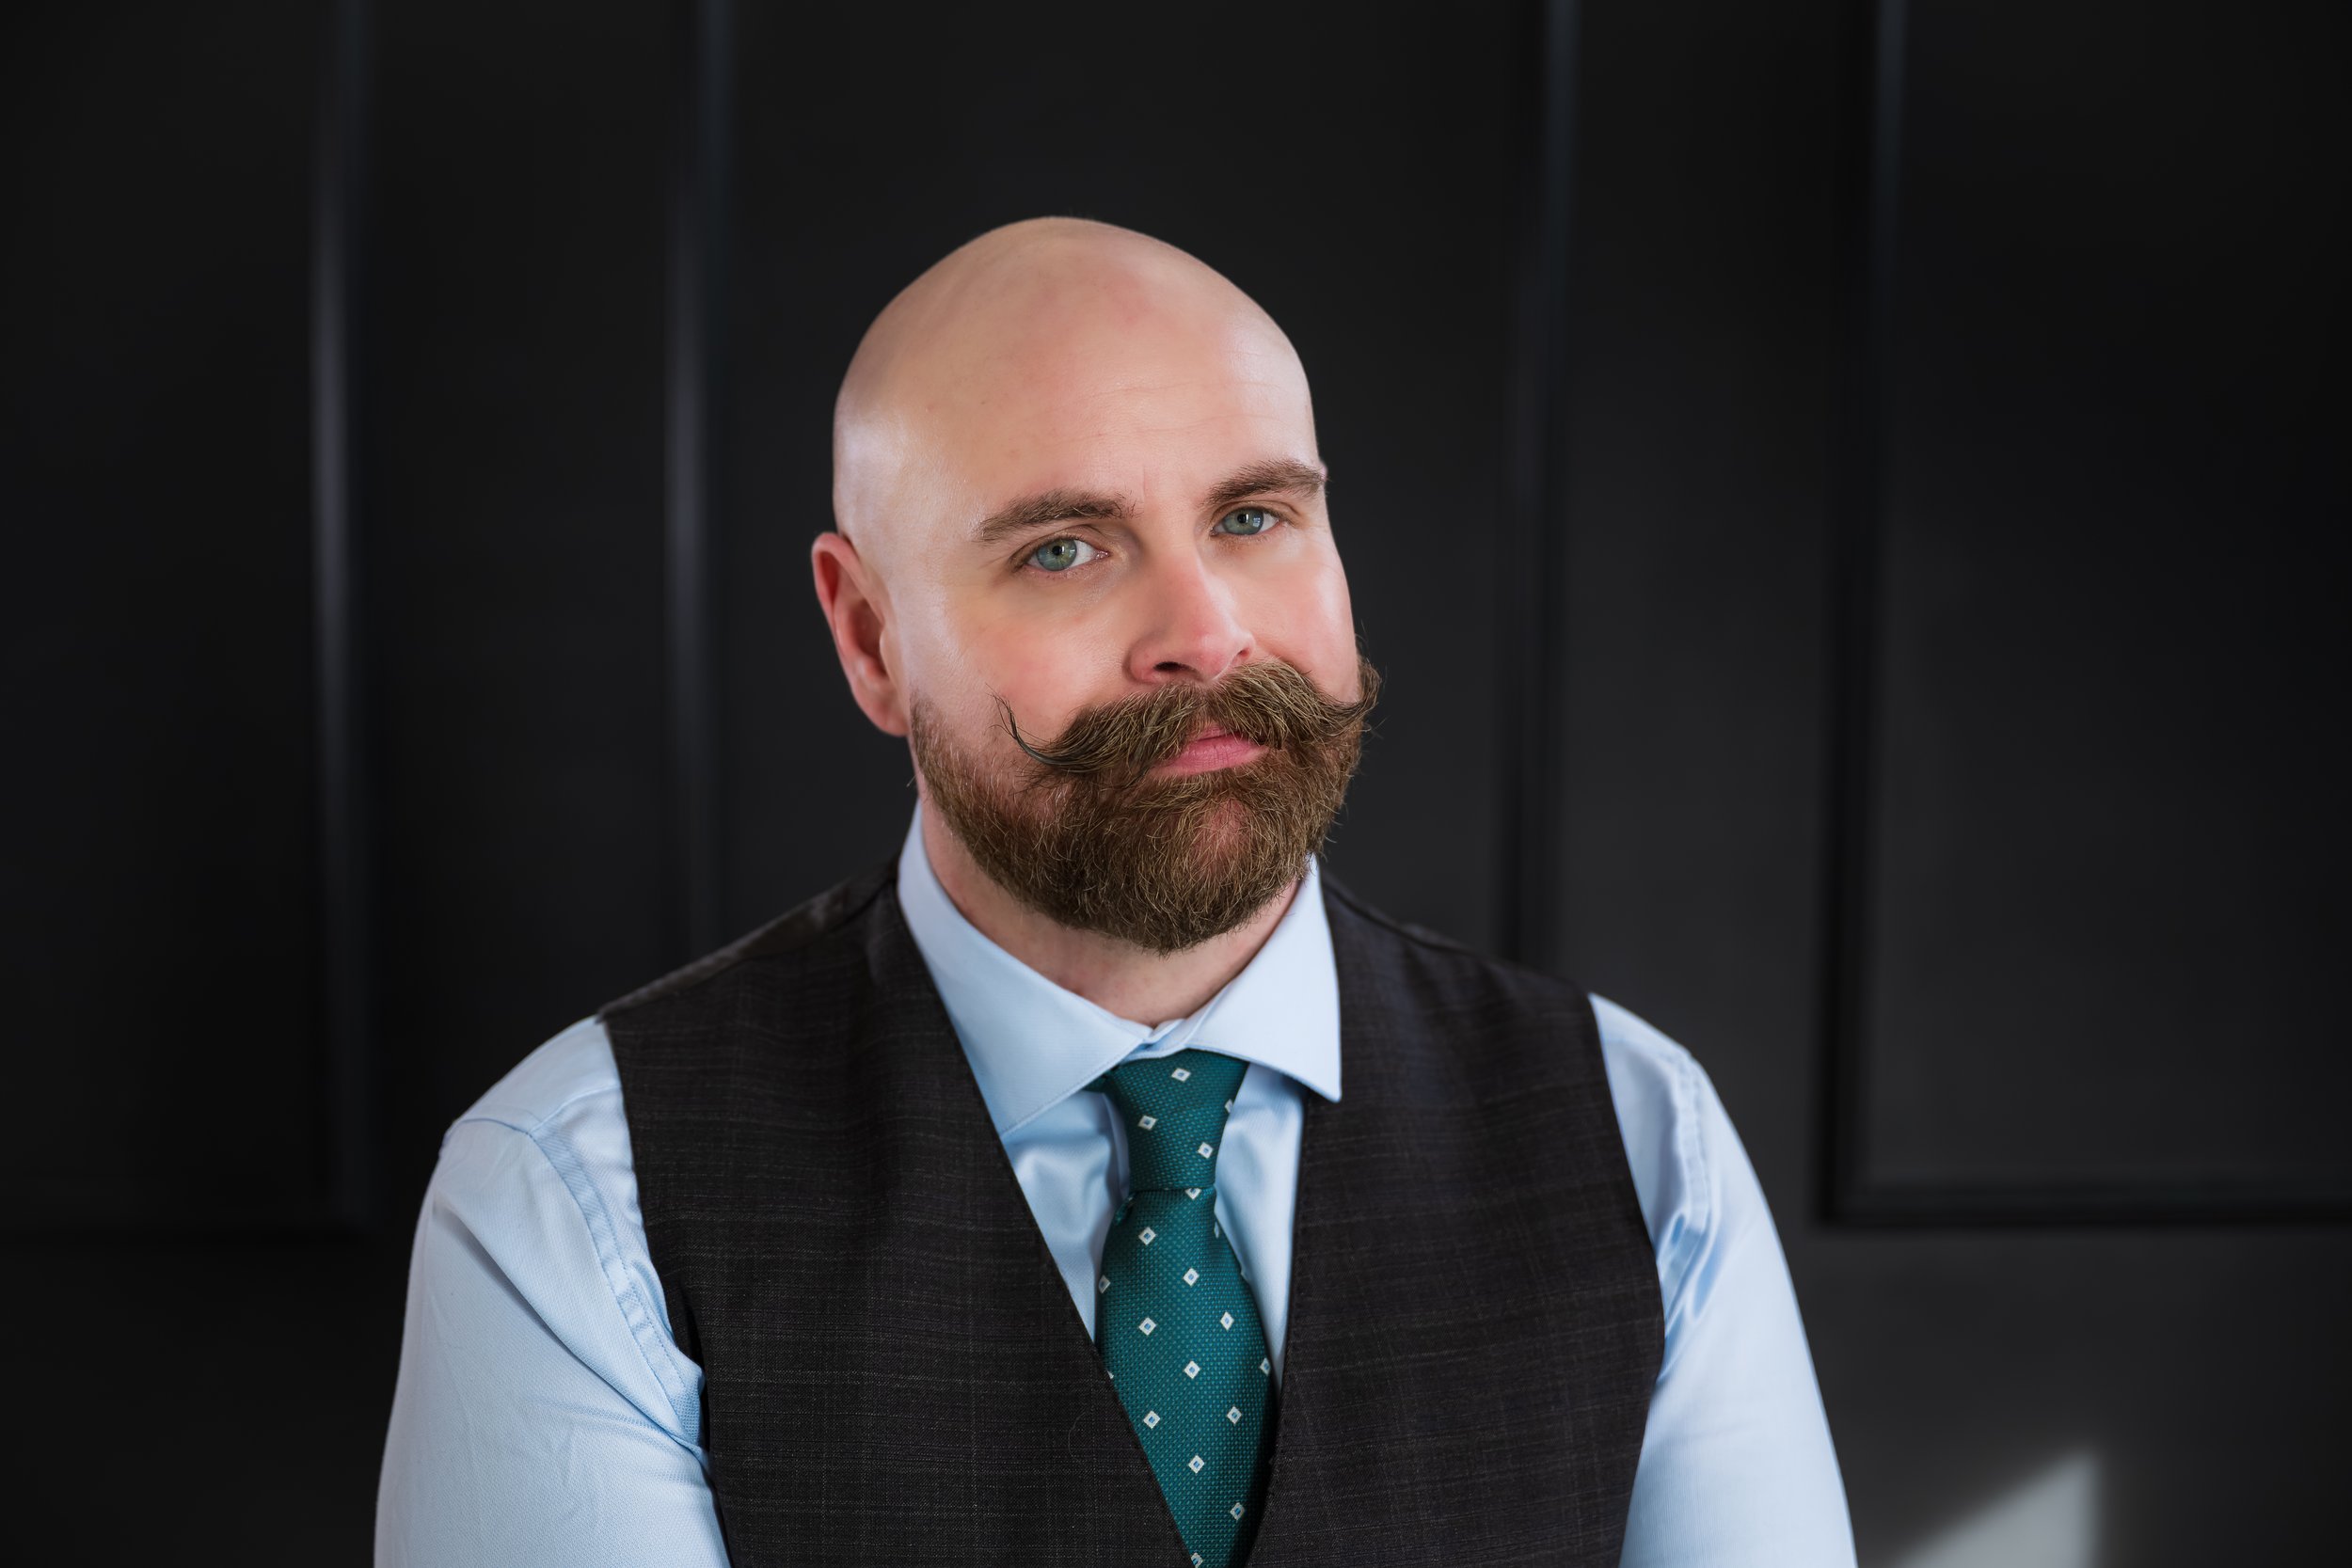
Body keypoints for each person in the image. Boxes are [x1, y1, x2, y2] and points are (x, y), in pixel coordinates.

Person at [375, 217, 1855, 1567]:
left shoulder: (1642, 1144)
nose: (1204, 636)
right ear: (871, 636)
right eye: (1065, 550)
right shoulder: (577, 1199)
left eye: (1253, 517)